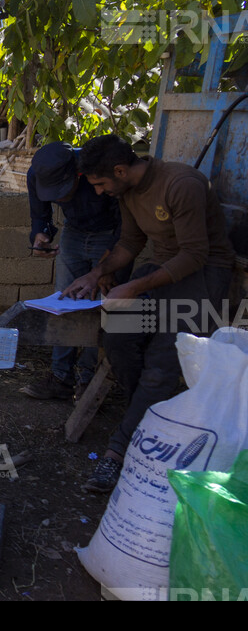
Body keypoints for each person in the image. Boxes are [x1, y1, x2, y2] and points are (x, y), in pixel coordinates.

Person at [62, 134, 235, 493]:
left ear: (121, 170)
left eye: (101, 183)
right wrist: (96, 274)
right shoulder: (125, 192)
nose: (98, 192)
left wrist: (134, 287)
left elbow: (194, 255)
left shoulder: (181, 184)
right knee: (119, 338)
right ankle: (147, 417)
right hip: (162, 274)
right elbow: (130, 244)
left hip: (202, 280)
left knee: (160, 364)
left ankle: (116, 452)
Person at [19, 141, 125, 402]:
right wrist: (40, 234)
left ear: (79, 173)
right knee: (63, 302)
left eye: (62, 192)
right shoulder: (37, 174)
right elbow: (39, 215)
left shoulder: (97, 170)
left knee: (101, 305)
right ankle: (60, 378)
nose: (59, 198)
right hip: (74, 233)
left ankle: (89, 380)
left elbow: (127, 226)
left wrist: (109, 263)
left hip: (109, 236)